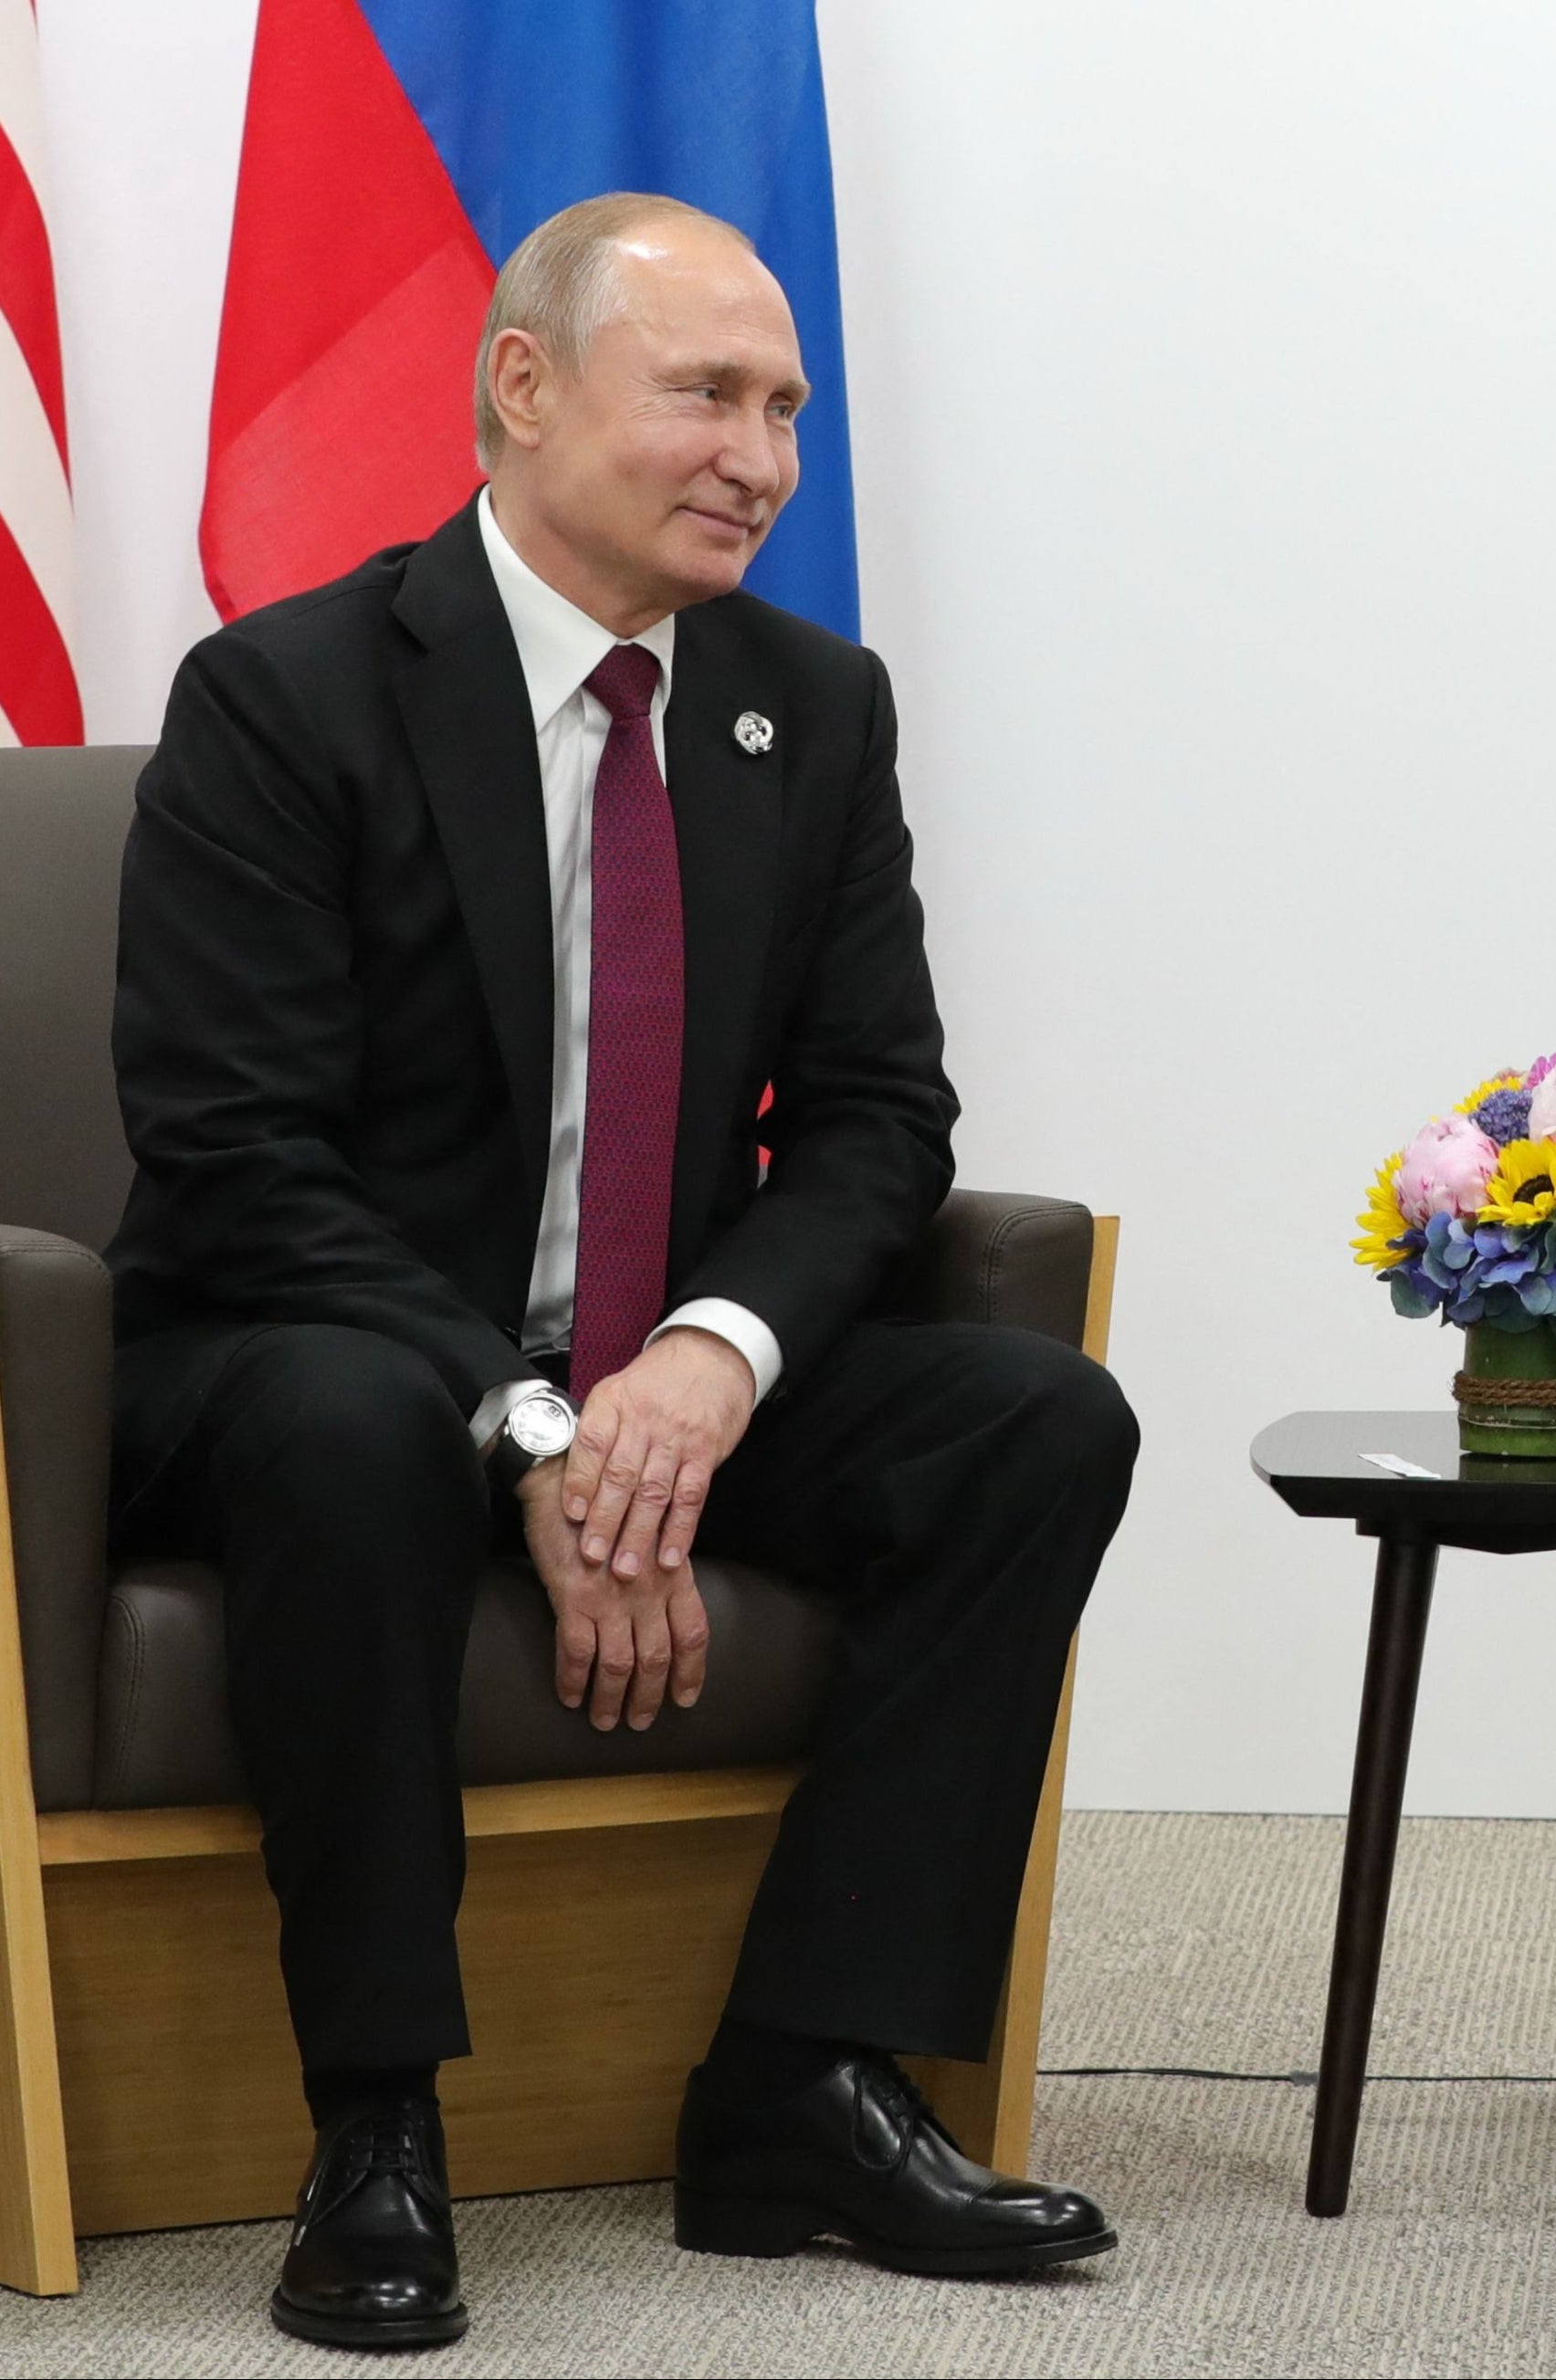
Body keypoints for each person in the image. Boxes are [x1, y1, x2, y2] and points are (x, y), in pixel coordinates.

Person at [107, 192, 1139, 2353]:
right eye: (705, 393)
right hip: (320, 1353)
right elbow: (235, 1158)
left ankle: (803, 2079)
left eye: (784, 408)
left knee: (1037, 1418)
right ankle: (377, 2116)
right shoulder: (288, 695)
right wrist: (535, 1420)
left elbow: (875, 1117)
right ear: (522, 386)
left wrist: (710, 1355)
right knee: (351, 1417)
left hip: (646, 1360)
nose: (759, 455)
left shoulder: (809, 706)